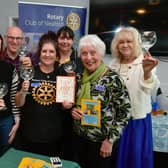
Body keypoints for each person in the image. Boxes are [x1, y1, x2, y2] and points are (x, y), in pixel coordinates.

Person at [71, 34, 131, 168]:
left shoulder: (113, 79)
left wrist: (109, 141)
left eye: (93, 53)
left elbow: (125, 112)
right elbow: (75, 103)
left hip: (101, 143)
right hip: (79, 139)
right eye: (84, 53)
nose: (89, 58)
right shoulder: (80, 77)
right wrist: (73, 110)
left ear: (101, 54)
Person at [109, 26, 160, 168]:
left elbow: (151, 88)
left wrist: (147, 73)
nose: (125, 45)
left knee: (135, 161)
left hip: (136, 122)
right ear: (116, 45)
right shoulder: (112, 65)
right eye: (121, 42)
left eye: (129, 41)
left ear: (136, 43)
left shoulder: (145, 62)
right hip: (116, 122)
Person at [15, 31, 67, 156]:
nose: (47, 55)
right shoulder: (28, 73)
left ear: (57, 55)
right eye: (44, 51)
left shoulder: (62, 75)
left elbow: (66, 105)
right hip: (29, 134)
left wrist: (68, 105)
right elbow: (18, 103)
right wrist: (22, 91)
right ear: (39, 53)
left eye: (51, 52)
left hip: (54, 136)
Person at [56, 25, 83, 160]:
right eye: (62, 38)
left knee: (68, 149)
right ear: (57, 40)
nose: (65, 42)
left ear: (73, 41)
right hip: (53, 110)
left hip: (71, 113)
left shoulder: (79, 62)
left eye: (69, 38)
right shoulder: (50, 59)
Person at [0, 58, 20, 156]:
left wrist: (17, 120)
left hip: (5, 119)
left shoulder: (10, 68)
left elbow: (13, 98)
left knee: (6, 152)